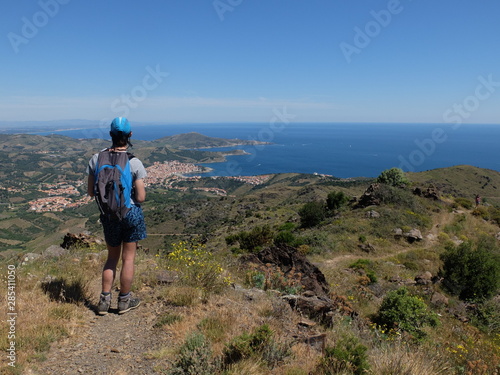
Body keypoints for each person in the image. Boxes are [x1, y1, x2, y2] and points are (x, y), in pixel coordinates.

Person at [87, 117, 147, 315]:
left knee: (111, 258)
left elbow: (91, 192)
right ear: (130, 135)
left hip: (109, 216)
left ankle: (103, 302)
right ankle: (124, 301)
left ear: (111, 135)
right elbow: (141, 196)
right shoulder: (134, 162)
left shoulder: (96, 159)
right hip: (130, 215)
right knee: (128, 259)